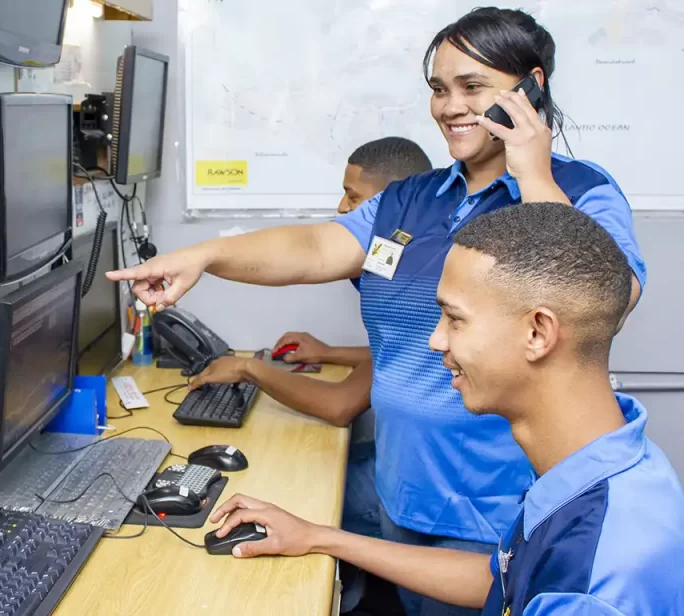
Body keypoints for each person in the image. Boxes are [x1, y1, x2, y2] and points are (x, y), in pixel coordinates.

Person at [108, 8, 646, 614]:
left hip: (497, 509)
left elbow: (608, 299)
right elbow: (313, 248)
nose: (449, 107)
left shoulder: (582, 190)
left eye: (473, 87)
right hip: (402, 487)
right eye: (439, 89)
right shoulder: (414, 198)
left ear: (530, 89)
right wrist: (204, 256)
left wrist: (532, 173)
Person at [206, 202, 684, 615]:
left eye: (454, 318)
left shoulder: (596, 577)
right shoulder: (601, 459)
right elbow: (498, 580)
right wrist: (319, 537)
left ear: (538, 333)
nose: (436, 341)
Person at [190, 137, 432, 540]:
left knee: (294, 495)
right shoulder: (416, 266)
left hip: (419, 494)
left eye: (352, 197)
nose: (341, 209)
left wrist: (251, 368)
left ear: (390, 203)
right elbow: (394, 351)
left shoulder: (425, 282)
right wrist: (329, 352)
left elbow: (339, 405)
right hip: (405, 466)